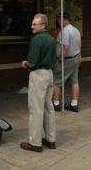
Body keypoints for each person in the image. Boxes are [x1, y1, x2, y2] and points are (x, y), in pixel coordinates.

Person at [20, 14, 57, 152]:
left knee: (36, 109)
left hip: (38, 74)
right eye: (32, 24)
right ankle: (50, 139)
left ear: (43, 25)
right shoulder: (52, 39)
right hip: (49, 74)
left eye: (35, 24)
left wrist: (25, 63)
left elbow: (32, 61)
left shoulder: (36, 40)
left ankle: (35, 143)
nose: (32, 26)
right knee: (49, 107)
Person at [52, 13, 82, 112]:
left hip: (66, 59)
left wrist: (60, 59)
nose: (58, 21)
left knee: (57, 81)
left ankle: (56, 104)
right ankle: (74, 104)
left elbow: (65, 47)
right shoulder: (76, 30)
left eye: (59, 19)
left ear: (65, 19)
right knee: (74, 81)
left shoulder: (64, 31)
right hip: (76, 57)